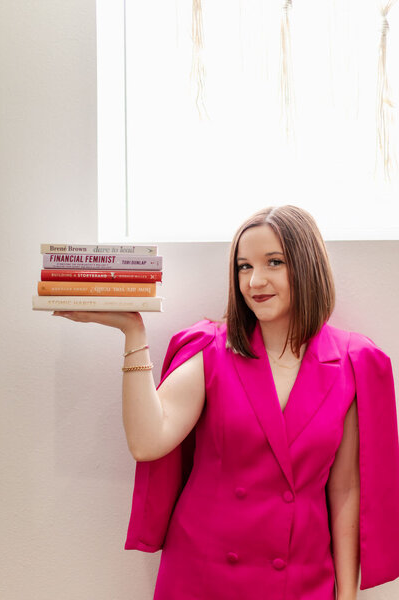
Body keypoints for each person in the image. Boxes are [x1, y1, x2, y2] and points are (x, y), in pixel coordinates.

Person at [53, 205, 399, 600]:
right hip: (203, 574)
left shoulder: (353, 361)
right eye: (243, 266)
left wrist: (346, 596)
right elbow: (147, 442)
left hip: (301, 580)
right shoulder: (211, 351)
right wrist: (133, 332)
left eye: (274, 262)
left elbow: (345, 492)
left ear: (307, 266)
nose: (255, 281)